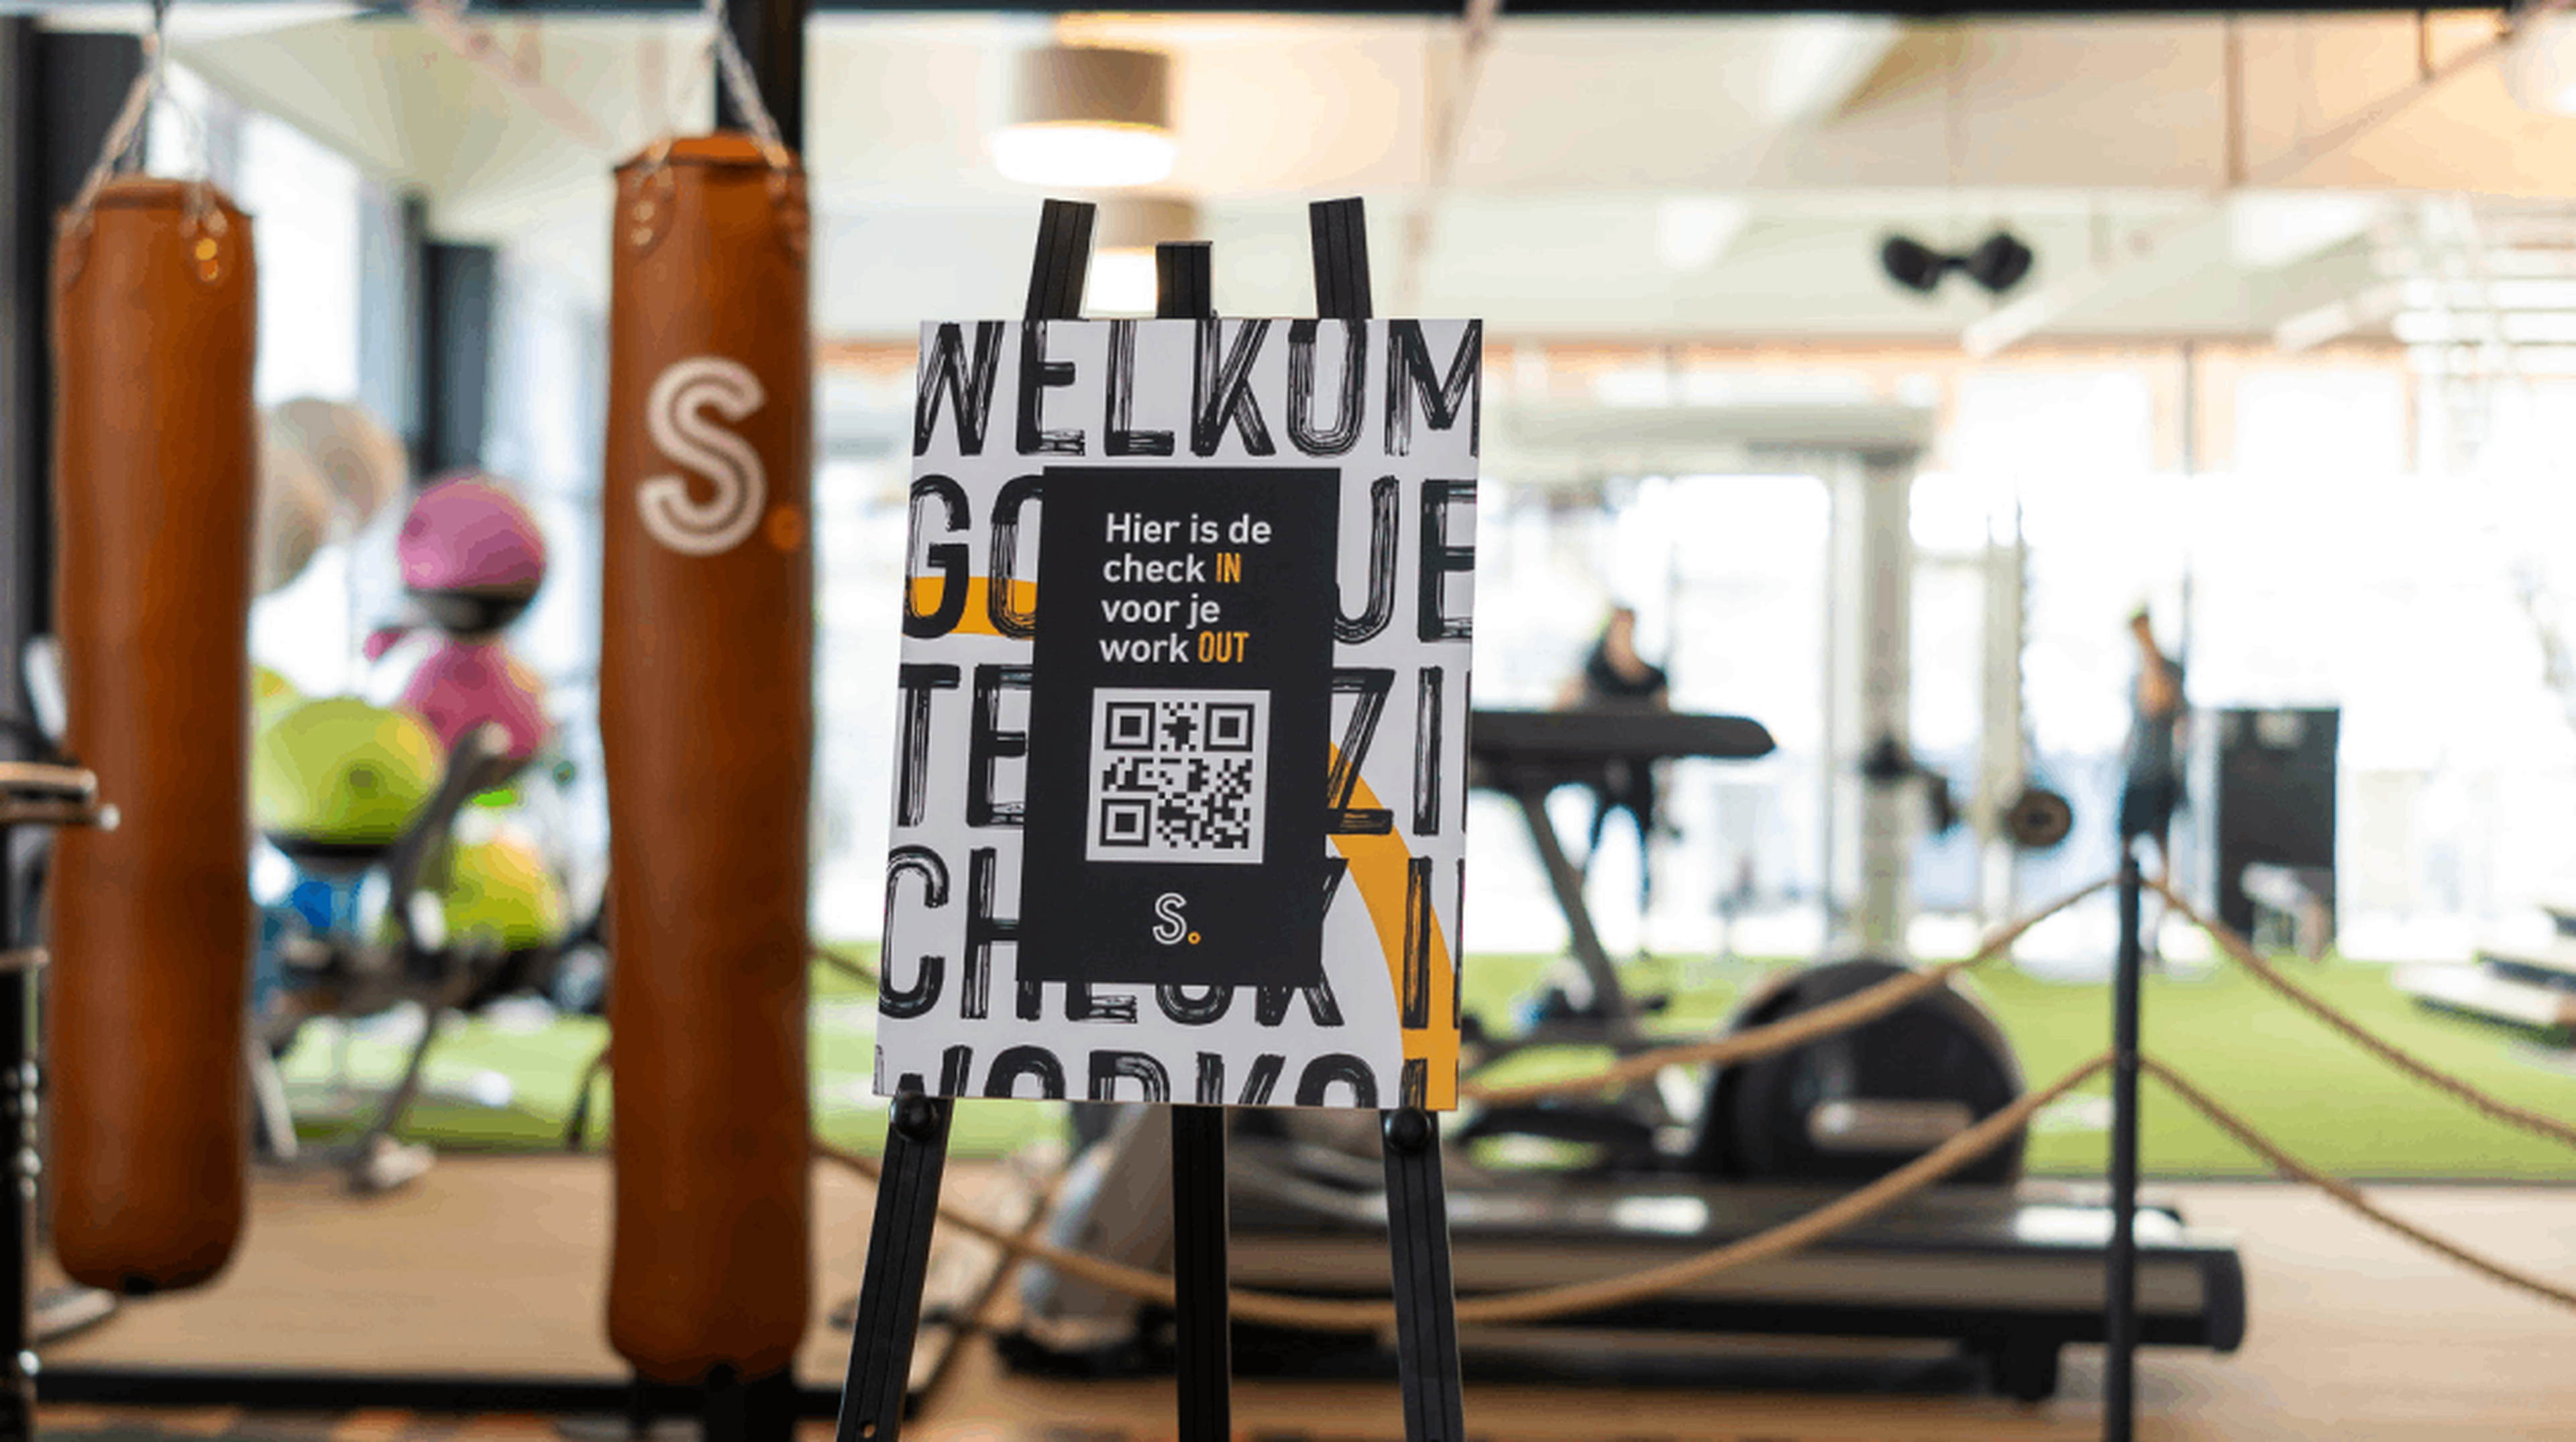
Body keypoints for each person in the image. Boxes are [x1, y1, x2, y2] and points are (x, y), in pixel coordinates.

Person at [1557, 607, 1672, 924]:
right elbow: (1562, 703)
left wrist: (1668, 782)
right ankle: (1578, 918)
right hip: (1602, 772)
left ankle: (1645, 924)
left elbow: (1668, 724)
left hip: (1640, 771)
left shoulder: (1652, 677)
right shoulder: (1594, 671)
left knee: (1644, 851)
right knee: (1592, 845)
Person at [2117, 605, 2188, 959]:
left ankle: (2155, 936)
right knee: (2125, 856)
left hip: (2158, 776)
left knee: (2163, 859)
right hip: (2135, 772)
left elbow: (2156, 705)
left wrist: (2152, 657)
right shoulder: (2136, 673)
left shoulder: (2167, 669)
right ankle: (2128, 935)